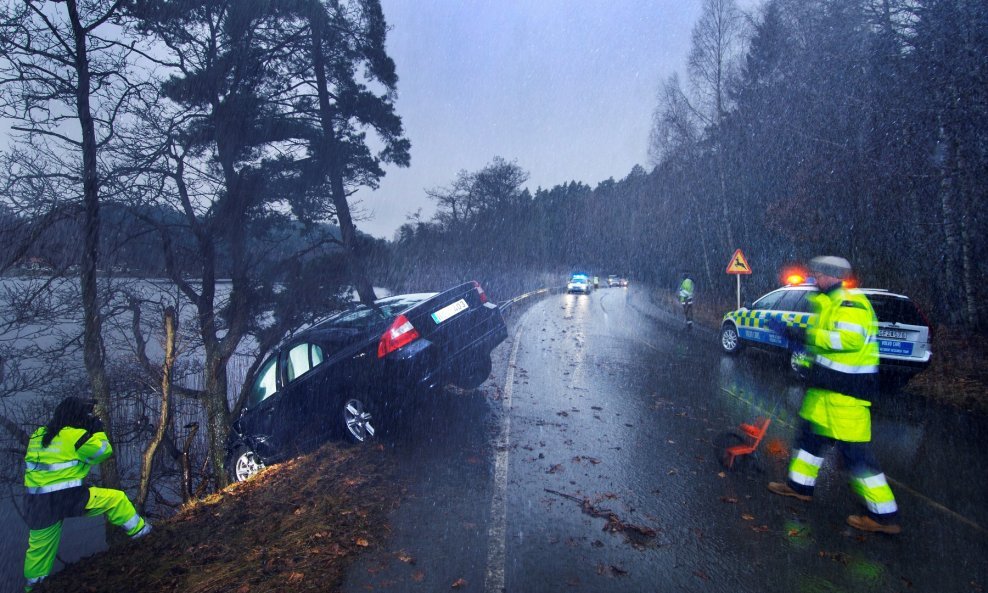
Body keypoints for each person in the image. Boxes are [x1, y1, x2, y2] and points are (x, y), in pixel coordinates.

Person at [766, 256, 900, 534]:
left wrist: (804, 336)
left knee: (857, 457)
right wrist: (803, 354)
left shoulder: (851, 304)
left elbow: (846, 340)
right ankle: (799, 487)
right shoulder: (827, 303)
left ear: (833, 276)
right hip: (823, 393)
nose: (814, 277)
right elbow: (822, 348)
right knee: (808, 442)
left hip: (845, 397)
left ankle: (884, 517)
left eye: (818, 274)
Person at [23, 397, 151, 591]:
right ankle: (144, 534)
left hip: (36, 503)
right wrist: (97, 430)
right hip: (67, 498)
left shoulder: (37, 436)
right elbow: (103, 452)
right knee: (116, 500)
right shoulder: (75, 436)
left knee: (39, 551)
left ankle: (33, 587)